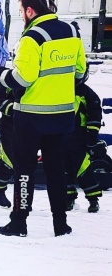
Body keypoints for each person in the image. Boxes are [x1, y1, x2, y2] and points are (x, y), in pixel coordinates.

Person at [0, 0, 86, 237]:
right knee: (56, 169)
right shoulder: (72, 32)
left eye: (21, 11)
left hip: (31, 118)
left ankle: (19, 222)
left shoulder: (32, 38)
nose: (22, 15)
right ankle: (60, 223)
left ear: (30, 11)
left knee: (24, 170)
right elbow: (80, 74)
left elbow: (22, 78)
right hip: (62, 116)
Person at [64, 63, 103, 213]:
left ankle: (93, 200)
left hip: (79, 138)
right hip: (59, 138)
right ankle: (68, 199)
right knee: (63, 171)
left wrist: (92, 134)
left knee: (84, 169)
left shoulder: (87, 93)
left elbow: (95, 115)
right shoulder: (58, 90)